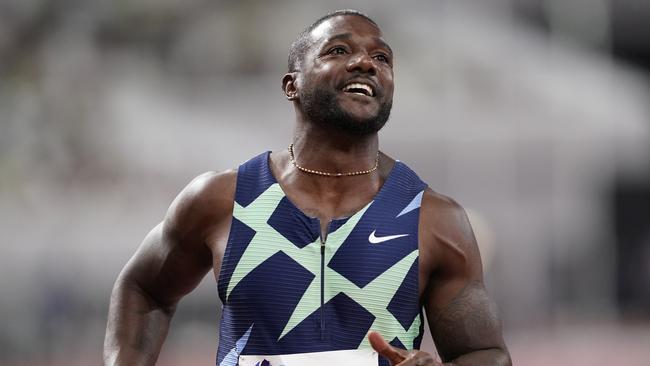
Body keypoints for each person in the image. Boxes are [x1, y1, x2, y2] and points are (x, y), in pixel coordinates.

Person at [104, 9, 511, 366]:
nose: (366, 64)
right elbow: (143, 290)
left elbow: (486, 355)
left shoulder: (434, 220)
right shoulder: (221, 200)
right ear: (291, 85)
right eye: (338, 50)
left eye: (382, 58)